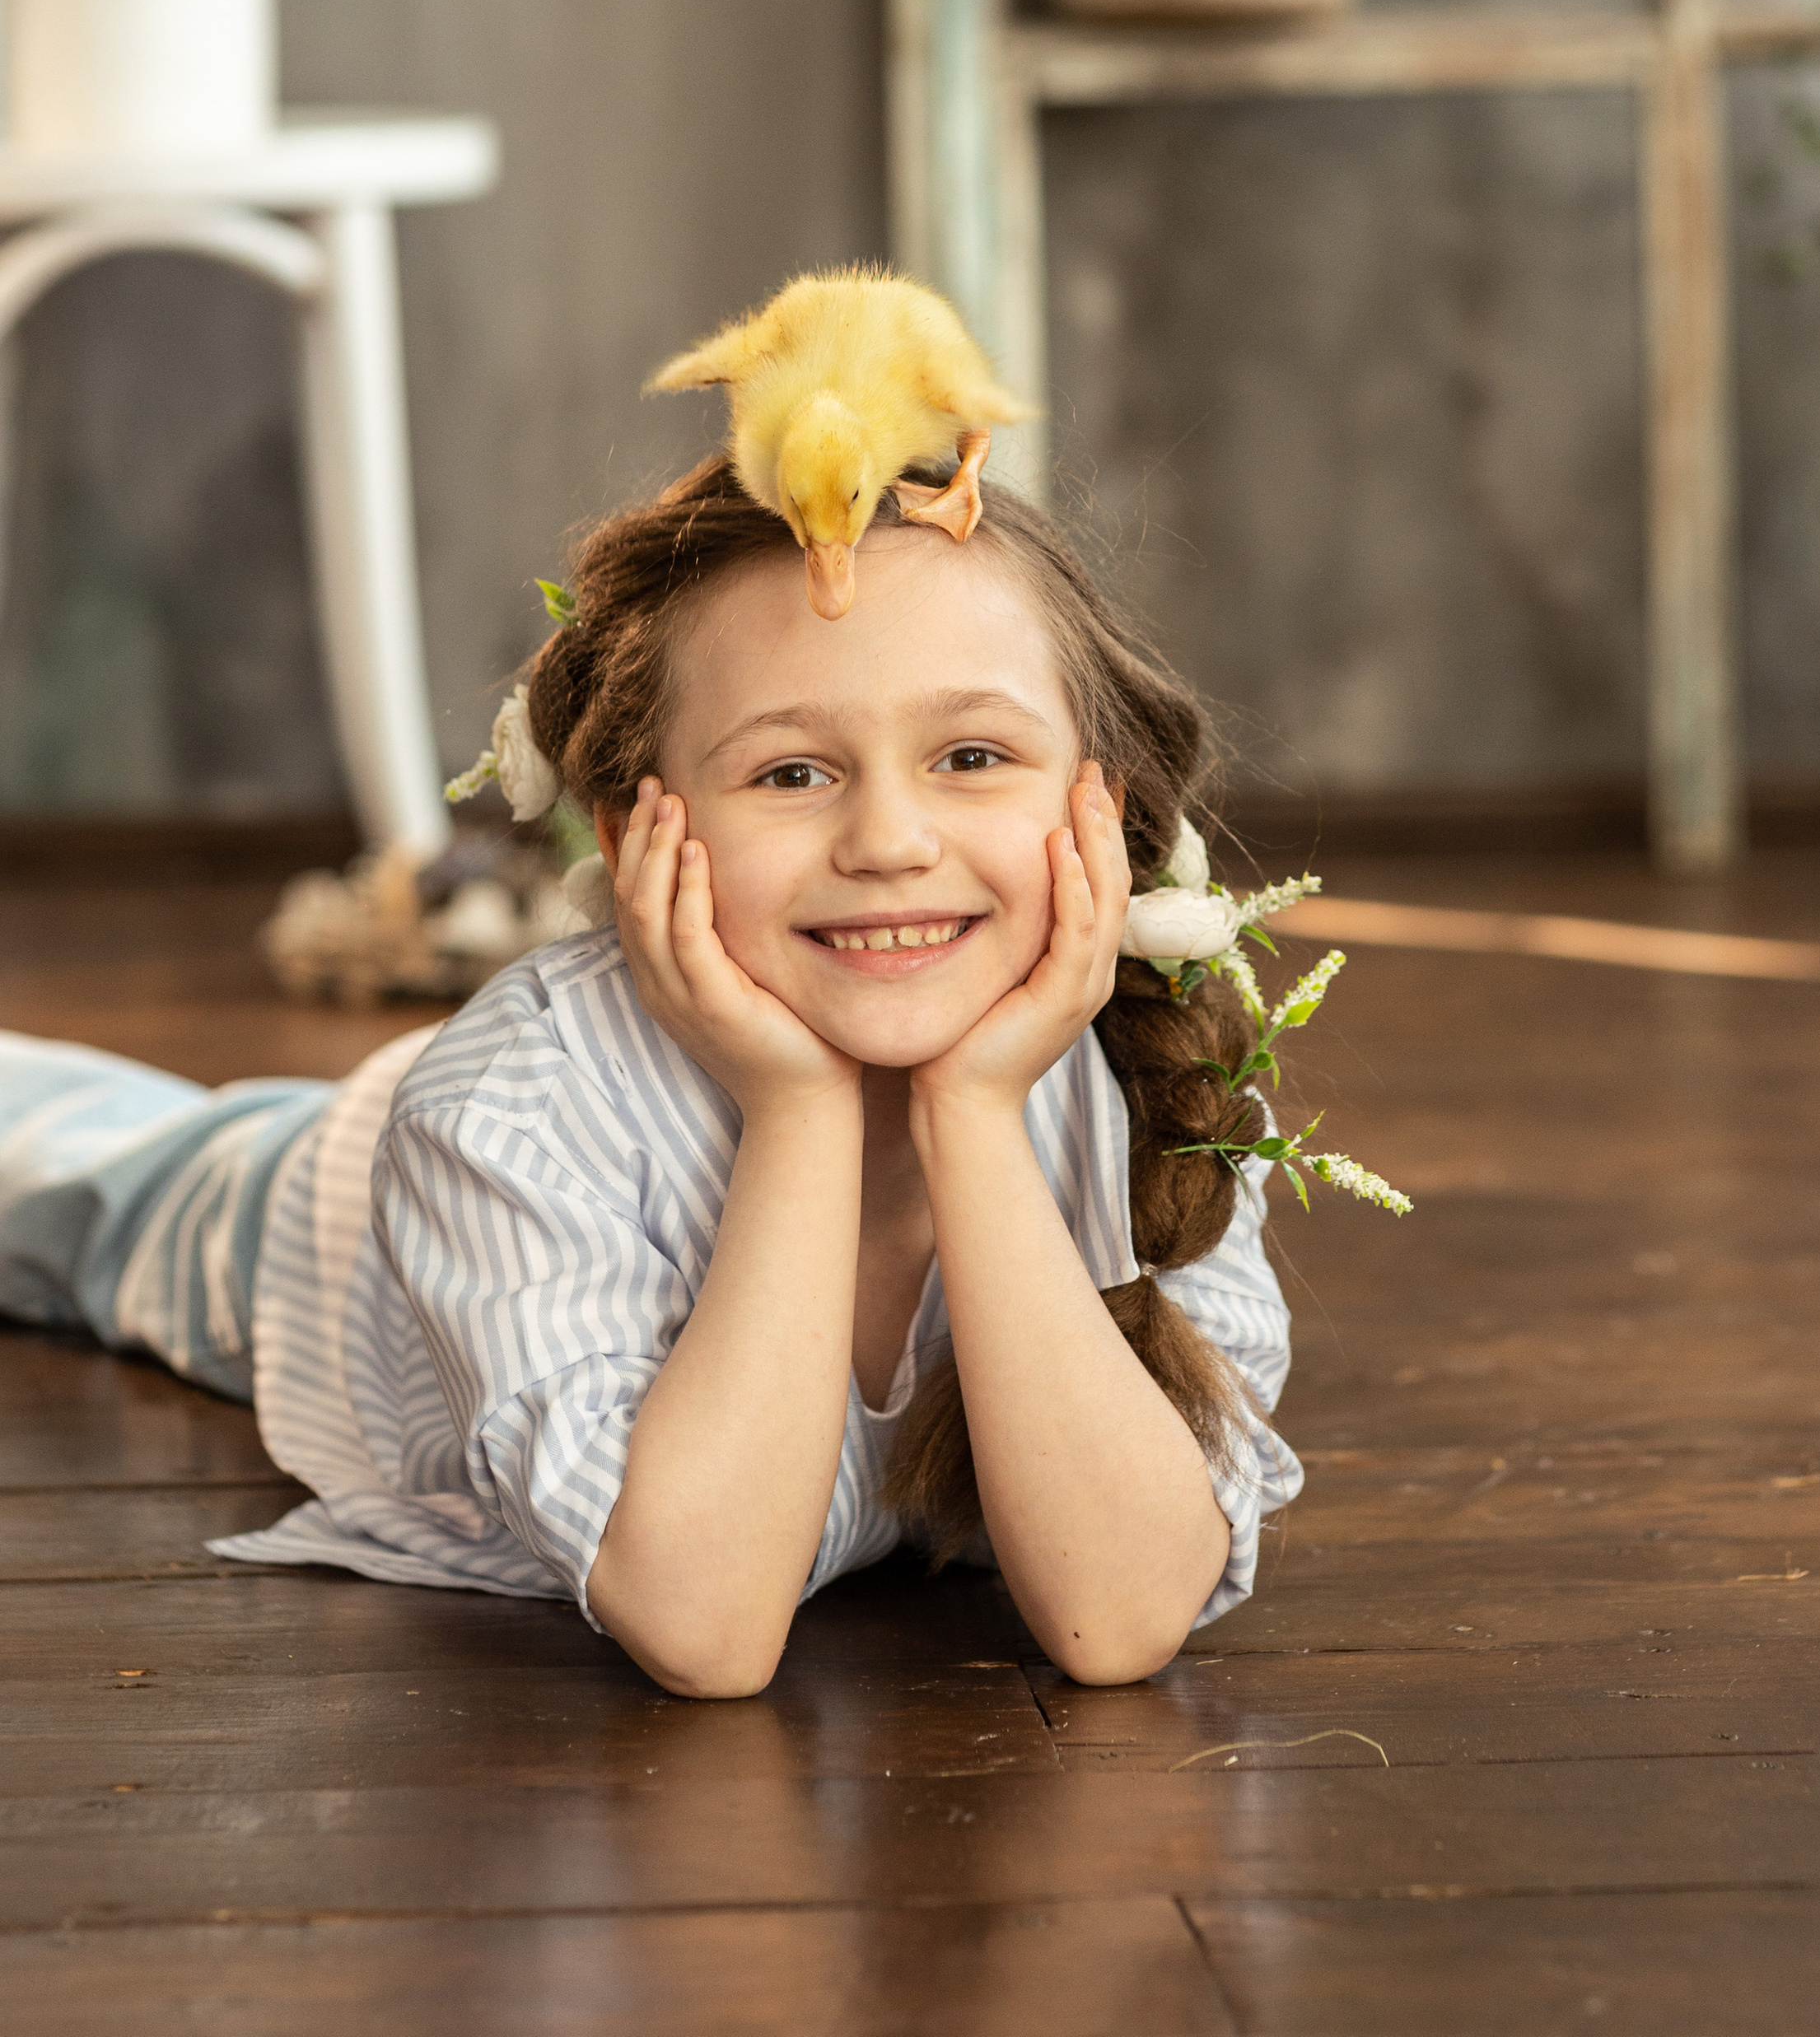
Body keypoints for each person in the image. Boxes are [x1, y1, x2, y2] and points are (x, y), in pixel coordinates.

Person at [0, 459, 1308, 1695]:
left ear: (1100, 802)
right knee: (57, 1172)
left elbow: (1121, 1615)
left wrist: (971, 1111)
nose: (892, 843)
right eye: (792, 772)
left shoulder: (1145, 1081)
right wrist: (799, 1111)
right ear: (635, 833)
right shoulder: (508, 1108)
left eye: (971, 757)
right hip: (321, 1222)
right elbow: (709, 1627)